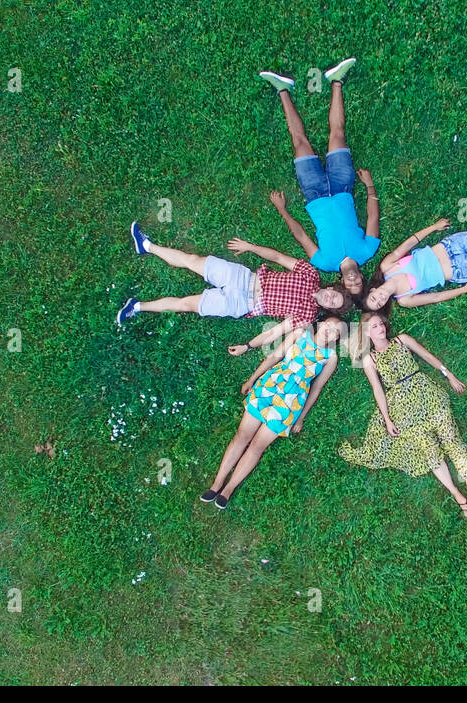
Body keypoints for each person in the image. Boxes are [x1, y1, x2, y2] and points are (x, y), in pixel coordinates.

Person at [338, 311, 467, 518]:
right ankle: (456, 494)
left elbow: (426, 356)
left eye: (381, 324)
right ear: (366, 333)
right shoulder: (370, 359)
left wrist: (448, 374)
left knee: (451, 438)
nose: (380, 329)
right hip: (402, 408)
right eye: (374, 327)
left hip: (428, 394)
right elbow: (377, 389)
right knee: (430, 449)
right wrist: (387, 419)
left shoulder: (402, 339)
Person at [258, 58, 380, 300]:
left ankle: (282, 89)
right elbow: (373, 215)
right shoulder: (368, 250)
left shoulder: (324, 262)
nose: (353, 281)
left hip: (314, 194)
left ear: (341, 283)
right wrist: (369, 185)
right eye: (358, 284)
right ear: (363, 278)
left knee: (299, 142)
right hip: (343, 185)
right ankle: (336, 81)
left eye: (350, 285)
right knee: (338, 134)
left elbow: (301, 236)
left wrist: (282, 210)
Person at [201, 317, 343, 509]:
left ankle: (228, 489)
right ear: (322, 323)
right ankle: (217, 483)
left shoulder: (330, 357)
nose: (329, 330)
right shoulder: (300, 333)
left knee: (257, 446)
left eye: (336, 330)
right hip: (269, 386)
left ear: (337, 338)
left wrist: (301, 417)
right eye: (329, 324)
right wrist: (252, 379)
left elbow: (316, 388)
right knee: (242, 435)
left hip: (291, 402)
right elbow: (275, 356)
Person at [116, 223, 352, 329]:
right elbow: (279, 258)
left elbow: (280, 330)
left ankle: (137, 307)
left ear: (329, 310)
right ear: (333, 288)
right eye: (334, 296)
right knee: (192, 260)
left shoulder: (309, 314)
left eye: (333, 305)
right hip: (244, 278)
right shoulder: (310, 274)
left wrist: (249, 346)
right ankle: (147, 246)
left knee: (187, 304)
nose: (330, 300)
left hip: (241, 303)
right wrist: (250, 247)